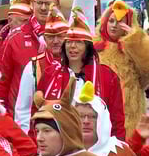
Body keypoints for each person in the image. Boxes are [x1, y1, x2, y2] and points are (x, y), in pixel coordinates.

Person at [17, 8, 126, 138]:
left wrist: (118, 151)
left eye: (78, 42)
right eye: (69, 42)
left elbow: (117, 120)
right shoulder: (50, 74)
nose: (72, 46)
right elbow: (37, 116)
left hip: (97, 148)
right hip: (59, 147)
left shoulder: (107, 76)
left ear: (88, 47)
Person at [95, 0, 149, 139]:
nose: (114, 26)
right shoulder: (95, 46)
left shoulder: (133, 47)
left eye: (120, 22)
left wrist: (135, 42)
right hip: (99, 109)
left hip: (128, 112)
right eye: (111, 21)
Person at [0, 0, 61, 112]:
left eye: (48, 4)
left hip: (56, 117)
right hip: (20, 118)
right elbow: (1, 82)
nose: (43, 8)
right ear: (32, 4)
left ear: (57, 6)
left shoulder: (65, 38)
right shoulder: (15, 38)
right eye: (39, 2)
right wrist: (0, 116)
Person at [12, 8, 68, 134]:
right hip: (41, 135)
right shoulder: (33, 66)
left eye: (60, 36)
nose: (55, 41)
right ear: (45, 39)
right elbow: (23, 110)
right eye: (50, 37)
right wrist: (28, 141)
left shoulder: (76, 64)